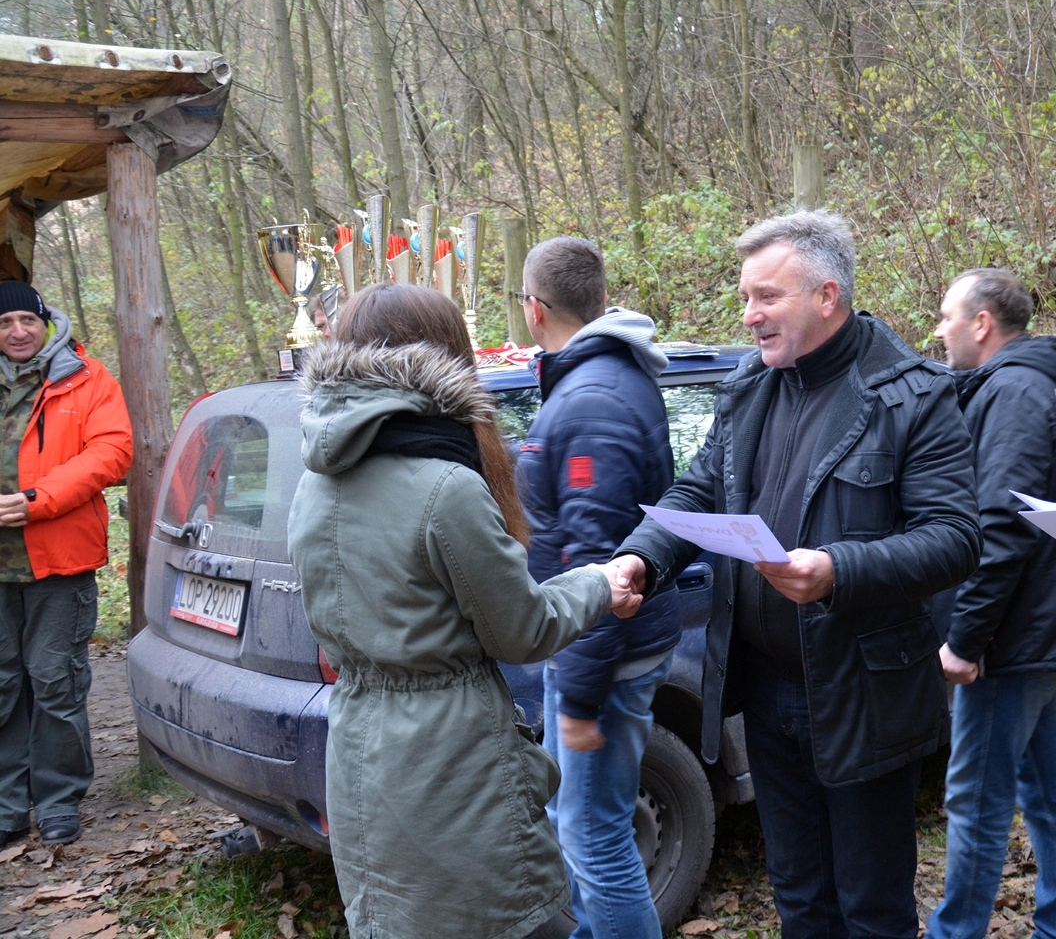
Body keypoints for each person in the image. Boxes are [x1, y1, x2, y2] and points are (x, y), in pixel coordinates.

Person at [606, 210, 982, 939]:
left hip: (862, 691)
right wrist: (640, 558)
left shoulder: (912, 394)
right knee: (800, 899)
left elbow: (955, 539)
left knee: (871, 910)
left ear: (826, 296)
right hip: (764, 691)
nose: (749, 315)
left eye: (767, 297)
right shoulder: (749, 386)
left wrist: (838, 570)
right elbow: (698, 491)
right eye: (746, 297)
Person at [287, 284, 643, 939]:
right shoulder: (446, 487)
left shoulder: (313, 482)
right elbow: (524, 630)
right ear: (447, 357)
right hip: (448, 765)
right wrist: (598, 583)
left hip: (359, 751)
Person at [927, 268, 1056, 939]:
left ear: (981, 324)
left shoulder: (1013, 393)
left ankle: (957, 932)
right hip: (1032, 628)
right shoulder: (1018, 387)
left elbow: (1002, 528)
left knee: (976, 799)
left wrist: (966, 638)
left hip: (1012, 635)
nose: (939, 330)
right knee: (1048, 793)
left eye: (947, 316)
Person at [515, 237, 679, 939]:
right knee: (574, 823)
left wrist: (581, 698)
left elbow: (601, 560)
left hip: (604, 655)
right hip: (588, 648)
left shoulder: (591, 402)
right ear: (600, 298)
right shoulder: (594, 382)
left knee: (596, 838)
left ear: (535, 309)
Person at [0, 281, 132, 848]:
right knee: (2, 685)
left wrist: (37, 500)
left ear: (45, 322)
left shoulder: (86, 377)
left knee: (56, 682)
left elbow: (111, 451)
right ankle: (7, 806)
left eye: (26, 320)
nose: (17, 332)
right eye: (4, 323)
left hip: (59, 561)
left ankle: (57, 801)